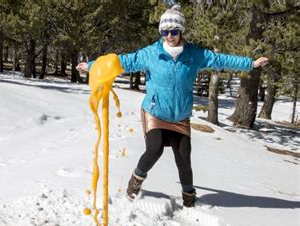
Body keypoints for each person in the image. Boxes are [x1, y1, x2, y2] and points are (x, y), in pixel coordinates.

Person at [76, 4, 268, 207]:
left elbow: (220, 59)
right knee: (154, 149)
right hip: (155, 111)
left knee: (184, 158)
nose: (169, 36)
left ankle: (189, 197)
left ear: (181, 31)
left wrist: (250, 64)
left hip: (180, 115)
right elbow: (124, 62)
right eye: (165, 32)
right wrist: (92, 66)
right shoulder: (151, 54)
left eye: (174, 31)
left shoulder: (195, 54)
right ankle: (135, 181)